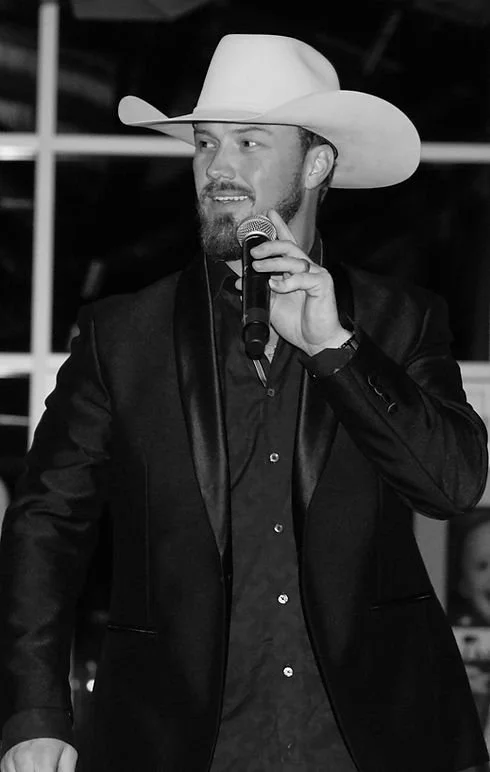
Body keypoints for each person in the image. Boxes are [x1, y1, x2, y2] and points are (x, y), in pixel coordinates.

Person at [0, 32, 488, 772]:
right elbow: (46, 524)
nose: (219, 168)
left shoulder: (400, 320)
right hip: (176, 742)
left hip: (374, 743)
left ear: (318, 162)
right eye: (205, 144)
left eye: (250, 142)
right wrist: (36, 713)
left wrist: (337, 351)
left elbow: (453, 485)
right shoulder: (123, 334)